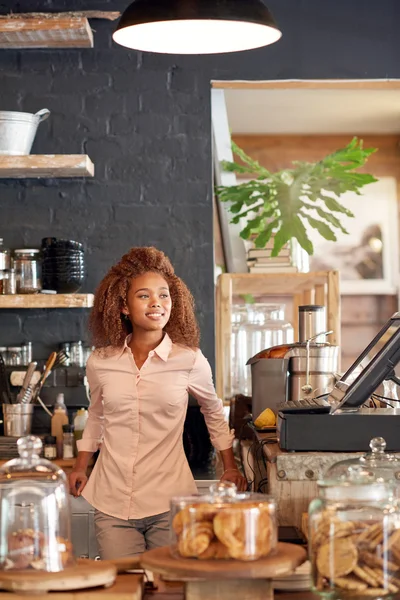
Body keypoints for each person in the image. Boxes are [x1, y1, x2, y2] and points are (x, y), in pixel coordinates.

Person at [69, 246, 247, 559]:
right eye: (144, 295)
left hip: (170, 500)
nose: (157, 303)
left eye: (164, 295)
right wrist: (81, 465)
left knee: (169, 587)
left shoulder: (189, 360)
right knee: (125, 588)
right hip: (112, 501)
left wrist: (229, 466)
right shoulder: (101, 361)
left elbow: (213, 411)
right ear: (123, 306)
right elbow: (96, 416)